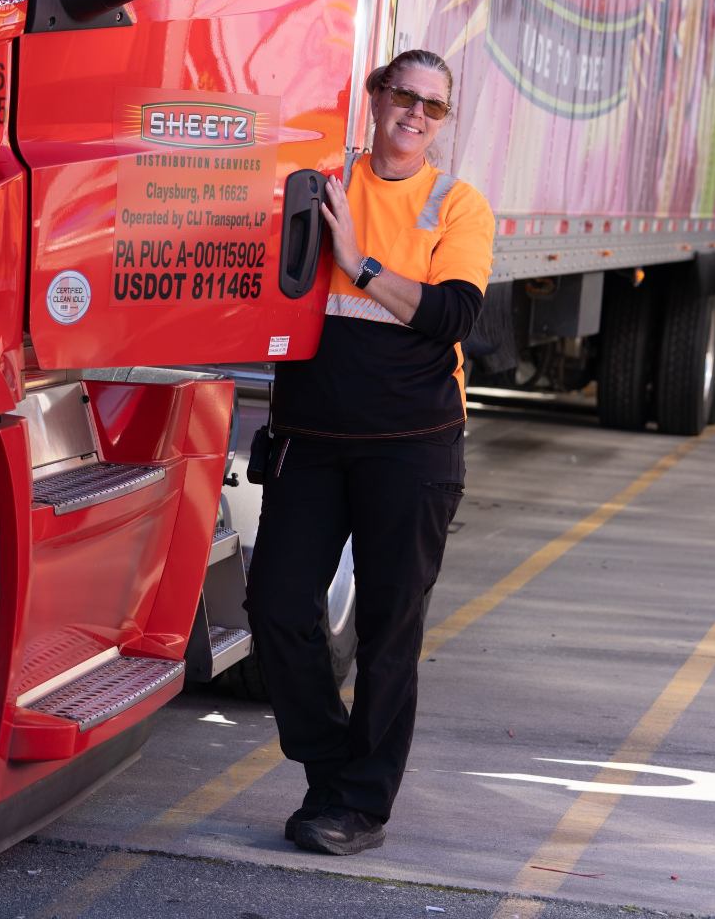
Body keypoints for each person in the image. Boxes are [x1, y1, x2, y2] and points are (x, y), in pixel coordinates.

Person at [247, 48, 494, 856]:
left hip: (412, 449)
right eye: (404, 96)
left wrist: (360, 263)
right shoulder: (318, 181)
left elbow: (455, 316)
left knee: (390, 632)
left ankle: (358, 806)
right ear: (375, 97)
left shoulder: (458, 206)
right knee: (278, 609)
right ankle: (330, 768)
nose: (416, 115)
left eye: (433, 107)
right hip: (310, 440)